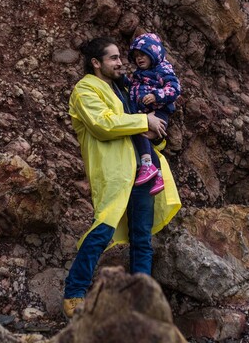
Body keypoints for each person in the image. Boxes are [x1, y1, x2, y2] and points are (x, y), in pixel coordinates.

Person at [63, 37, 182, 319]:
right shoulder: (84, 91)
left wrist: (153, 129)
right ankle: (74, 293)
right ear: (96, 63)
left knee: (142, 238)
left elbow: (145, 126)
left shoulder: (123, 88)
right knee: (101, 231)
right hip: (114, 172)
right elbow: (103, 124)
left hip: (142, 172)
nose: (120, 62)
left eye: (120, 57)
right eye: (114, 58)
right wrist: (145, 122)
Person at [127, 33, 181, 196]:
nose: (139, 59)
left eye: (143, 54)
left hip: (158, 112)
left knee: (140, 132)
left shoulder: (162, 70)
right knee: (141, 136)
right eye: (136, 56)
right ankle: (157, 174)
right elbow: (135, 87)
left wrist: (157, 95)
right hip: (145, 111)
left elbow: (174, 89)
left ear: (153, 52)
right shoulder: (139, 74)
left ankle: (147, 164)